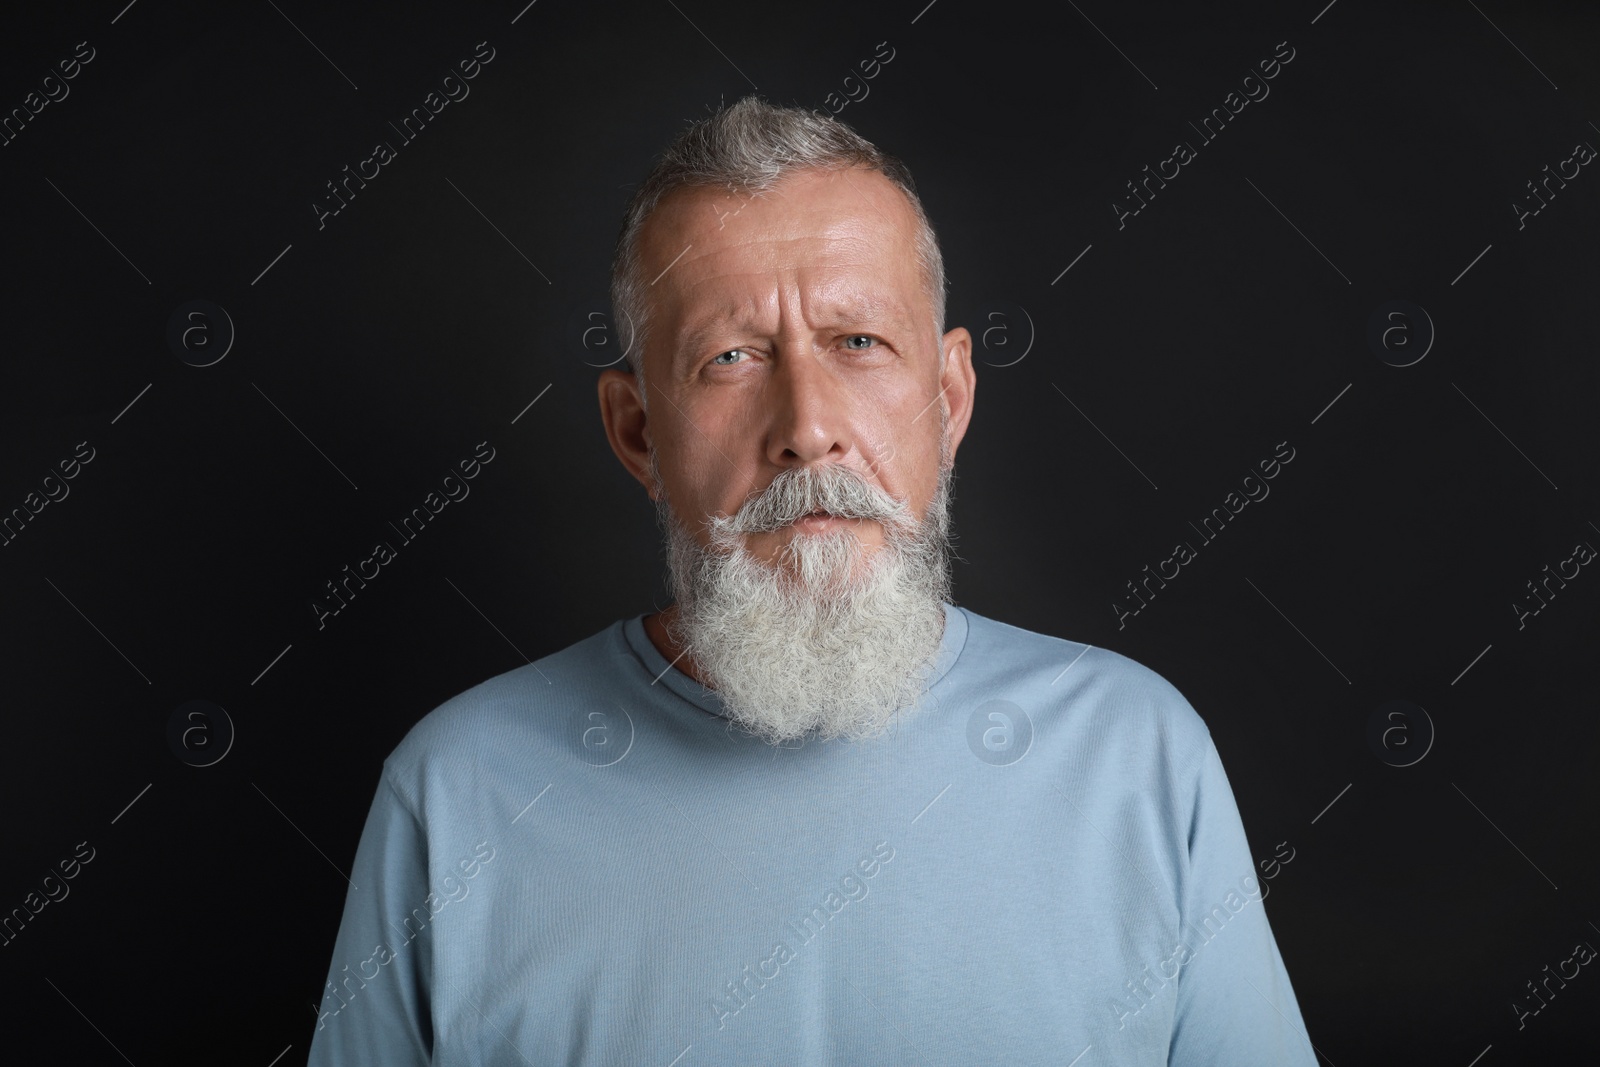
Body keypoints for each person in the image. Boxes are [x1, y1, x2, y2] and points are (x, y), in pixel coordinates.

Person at [305, 95, 1318, 1066]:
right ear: (636, 431)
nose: (806, 426)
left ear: (949, 397)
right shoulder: (457, 796)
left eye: (858, 342)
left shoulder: (1138, 759)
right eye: (731, 356)